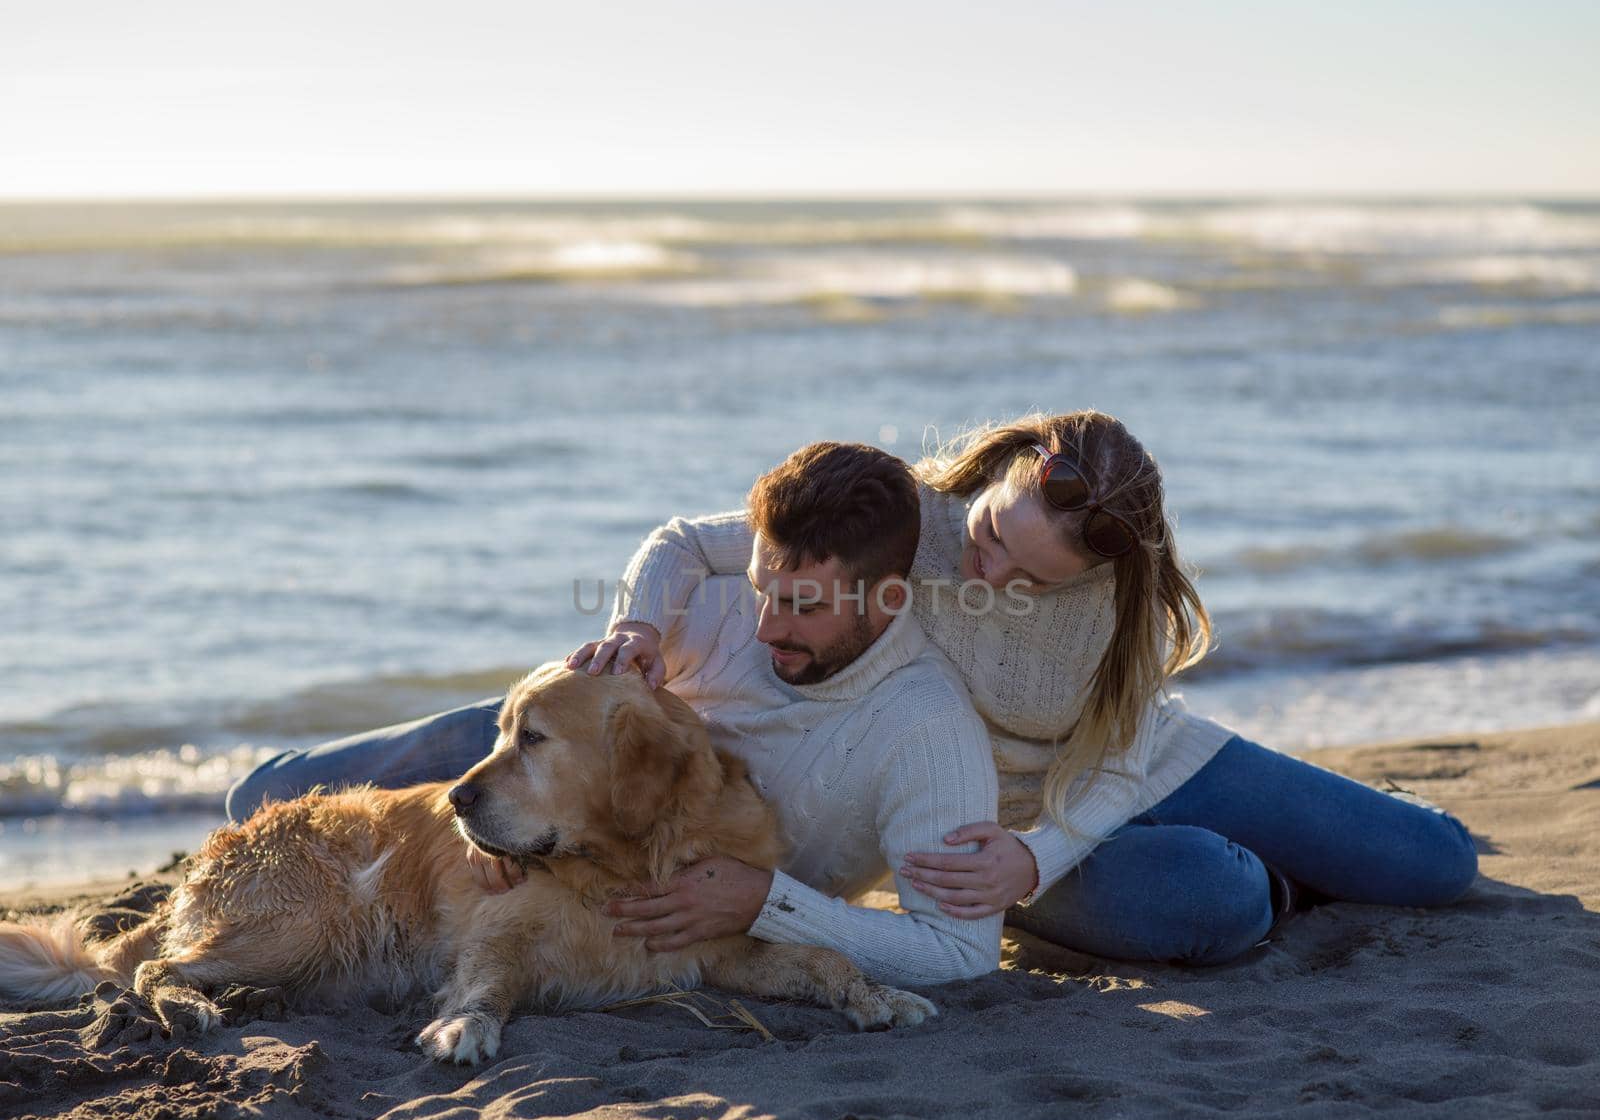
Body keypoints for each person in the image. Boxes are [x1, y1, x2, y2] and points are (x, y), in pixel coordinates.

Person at [575, 410, 1479, 965]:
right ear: (1006, 467)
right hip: (995, 828)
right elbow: (688, 543)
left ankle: (1345, 823)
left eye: (1029, 574)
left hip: (1144, 772)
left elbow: (1123, 769)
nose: (989, 568)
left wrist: (1043, 857)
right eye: (996, 533)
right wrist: (638, 626)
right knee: (1217, 900)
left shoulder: (1118, 612)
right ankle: (1285, 880)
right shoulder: (912, 519)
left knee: (1439, 867)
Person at [227, 442, 1003, 986]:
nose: (763, 627)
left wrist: (773, 903)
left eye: (801, 607)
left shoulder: (928, 733)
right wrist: (634, 626)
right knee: (264, 791)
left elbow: (960, 953)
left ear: (889, 600)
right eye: (761, 588)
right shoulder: (741, 590)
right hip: (542, 751)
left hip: (592, 780)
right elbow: (681, 541)